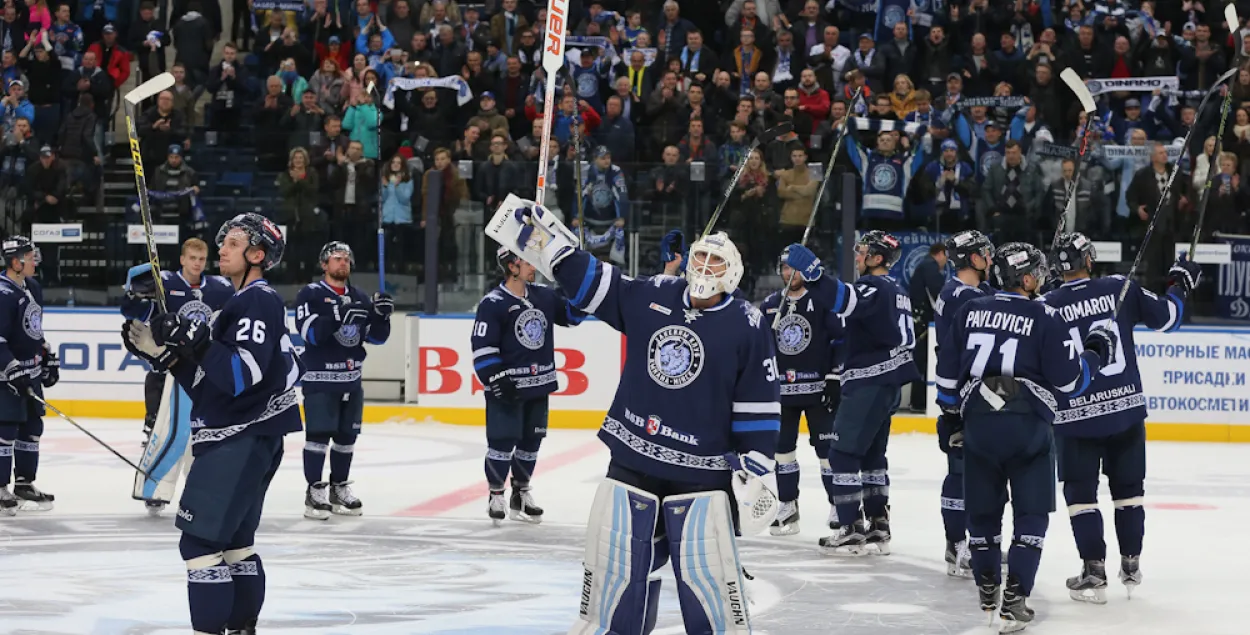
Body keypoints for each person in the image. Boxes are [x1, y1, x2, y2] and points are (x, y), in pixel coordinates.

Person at [489, 197, 780, 633]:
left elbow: (759, 397)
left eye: (716, 262)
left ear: (733, 274)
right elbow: (595, 283)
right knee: (618, 570)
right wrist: (548, 244)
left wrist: (757, 461)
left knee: (706, 577)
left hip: (701, 472)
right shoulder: (655, 293)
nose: (705, 267)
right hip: (634, 460)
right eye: (700, 257)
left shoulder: (748, 322)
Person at [121, 213, 302, 635]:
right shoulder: (238, 305)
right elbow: (211, 386)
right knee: (236, 547)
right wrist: (166, 356)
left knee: (200, 545)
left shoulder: (258, 299)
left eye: (234, 244)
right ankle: (241, 629)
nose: (222, 248)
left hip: (238, 440)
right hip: (246, 438)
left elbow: (242, 376)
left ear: (258, 255)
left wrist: (194, 339)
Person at [934, 242, 1117, 632]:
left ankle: (987, 588)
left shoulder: (969, 310)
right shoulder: (1045, 314)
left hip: (979, 422)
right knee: (1030, 514)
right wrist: (1095, 353)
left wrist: (951, 418)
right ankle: (1015, 599)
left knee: (983, 512)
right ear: (1028, 278)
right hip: (1027, 422)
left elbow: (947, 383)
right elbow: (1071, 382)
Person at [1041, 233, 1199, 604]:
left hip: (1073, 418)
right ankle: (1131, 563)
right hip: (1125, 413)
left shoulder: (1046, 304)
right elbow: (1170, 319)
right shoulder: (1117, 287)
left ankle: (1093, 571)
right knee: (1129, 493)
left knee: (1081, 497)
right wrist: (1179, 285)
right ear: (1090, 260)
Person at [782, 231, 918, 554]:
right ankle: (878, 524)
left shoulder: (873, 287)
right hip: (888, 384)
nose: (858, 256)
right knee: (872, 457)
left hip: (869, 384)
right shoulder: (897, 289)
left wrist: (815, 274)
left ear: (878, 258)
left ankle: (850, 526)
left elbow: (845, 300)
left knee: (841, 454)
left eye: (864, 252)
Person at [470, 245, 585, 524]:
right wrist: (497, 378)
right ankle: (496, 493)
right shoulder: (493, 302)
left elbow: (572, 316)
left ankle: (520, 492)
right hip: (508, 388)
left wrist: (578, 282)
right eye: (528, 262)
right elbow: (482, 347)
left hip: (539, 385)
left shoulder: (543, 296)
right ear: (512, 267)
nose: (534, 266)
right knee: (501, 442)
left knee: (531, 443)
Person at [294, 241, 393, 520]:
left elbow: (377, 338)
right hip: (320, 378)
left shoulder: (360, 296)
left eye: (347, 259)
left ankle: (339, 487)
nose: (343, 263)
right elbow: (310, 334)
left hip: (351, 380)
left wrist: (383, 317)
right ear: (324, 264)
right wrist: (337, 316)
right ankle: (314, 491)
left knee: (347, 438)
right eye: (337, 259)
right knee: (318, 437)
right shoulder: (311, 294)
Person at [760, 245, 843, 536]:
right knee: (782, 453)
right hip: (782, 393)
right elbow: (761, 350)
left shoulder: (821, 302)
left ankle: (837, 505)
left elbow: (839, 341)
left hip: (818, 390)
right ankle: (788, 506)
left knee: (827, 452)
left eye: (793, 267)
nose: (789, 273)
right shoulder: (770, 306)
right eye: (784, 268)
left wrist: (834, 378)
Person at [932, 229, 994, 577]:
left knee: (977, 472)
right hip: (961, 400)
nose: (990, 257)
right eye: (984, 252)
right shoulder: (959, 297)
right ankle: (957, 543)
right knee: (960, 473)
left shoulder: (969, 291)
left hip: (976, 399)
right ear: (972, 258)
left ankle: (970, 541)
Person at [0, 236, 56, 514]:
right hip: (6, 376)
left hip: (30, 372)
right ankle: (0, 488)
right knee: (5, 429)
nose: (35, 260)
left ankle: (24, 483)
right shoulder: (1, 292)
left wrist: (47, 356)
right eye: (30, 256)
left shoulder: (32, 287)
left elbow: (33, 328)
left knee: (32, 428)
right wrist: (11, 369)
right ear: (14, 262)